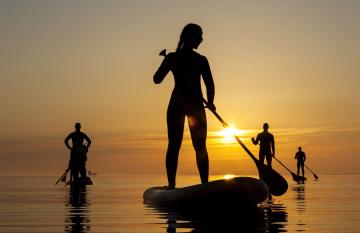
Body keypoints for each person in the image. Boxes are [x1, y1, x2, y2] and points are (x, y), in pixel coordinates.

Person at [153, 23, 216, 189]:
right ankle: (171, 185)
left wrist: (210, 101)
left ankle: (205, 186)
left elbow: (210, 84)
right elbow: (157, 79)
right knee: (174, 145)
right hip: (177, 106)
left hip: (196, 106)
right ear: (187, 37)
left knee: (200, 146)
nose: (200, 40)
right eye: (197, 37)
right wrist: (167, 63)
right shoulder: (172, 58)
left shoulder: (201, 60)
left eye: (201, 37)